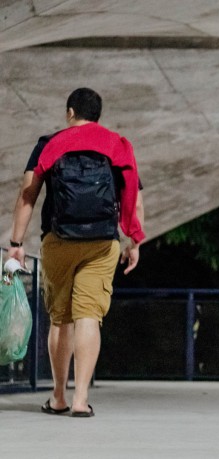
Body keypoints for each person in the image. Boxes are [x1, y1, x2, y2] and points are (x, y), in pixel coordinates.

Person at [7, 87, 144, 418]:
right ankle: (81, 400)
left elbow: (27, 195)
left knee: (61, 319)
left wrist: (16, 244)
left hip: (59, 240)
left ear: (70, 113)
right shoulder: (117, 144)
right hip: (102, 242)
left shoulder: (50, 143)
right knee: (89, 316)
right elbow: (134, 196)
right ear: (99, 115)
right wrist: (134, 240)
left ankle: (58, 396)